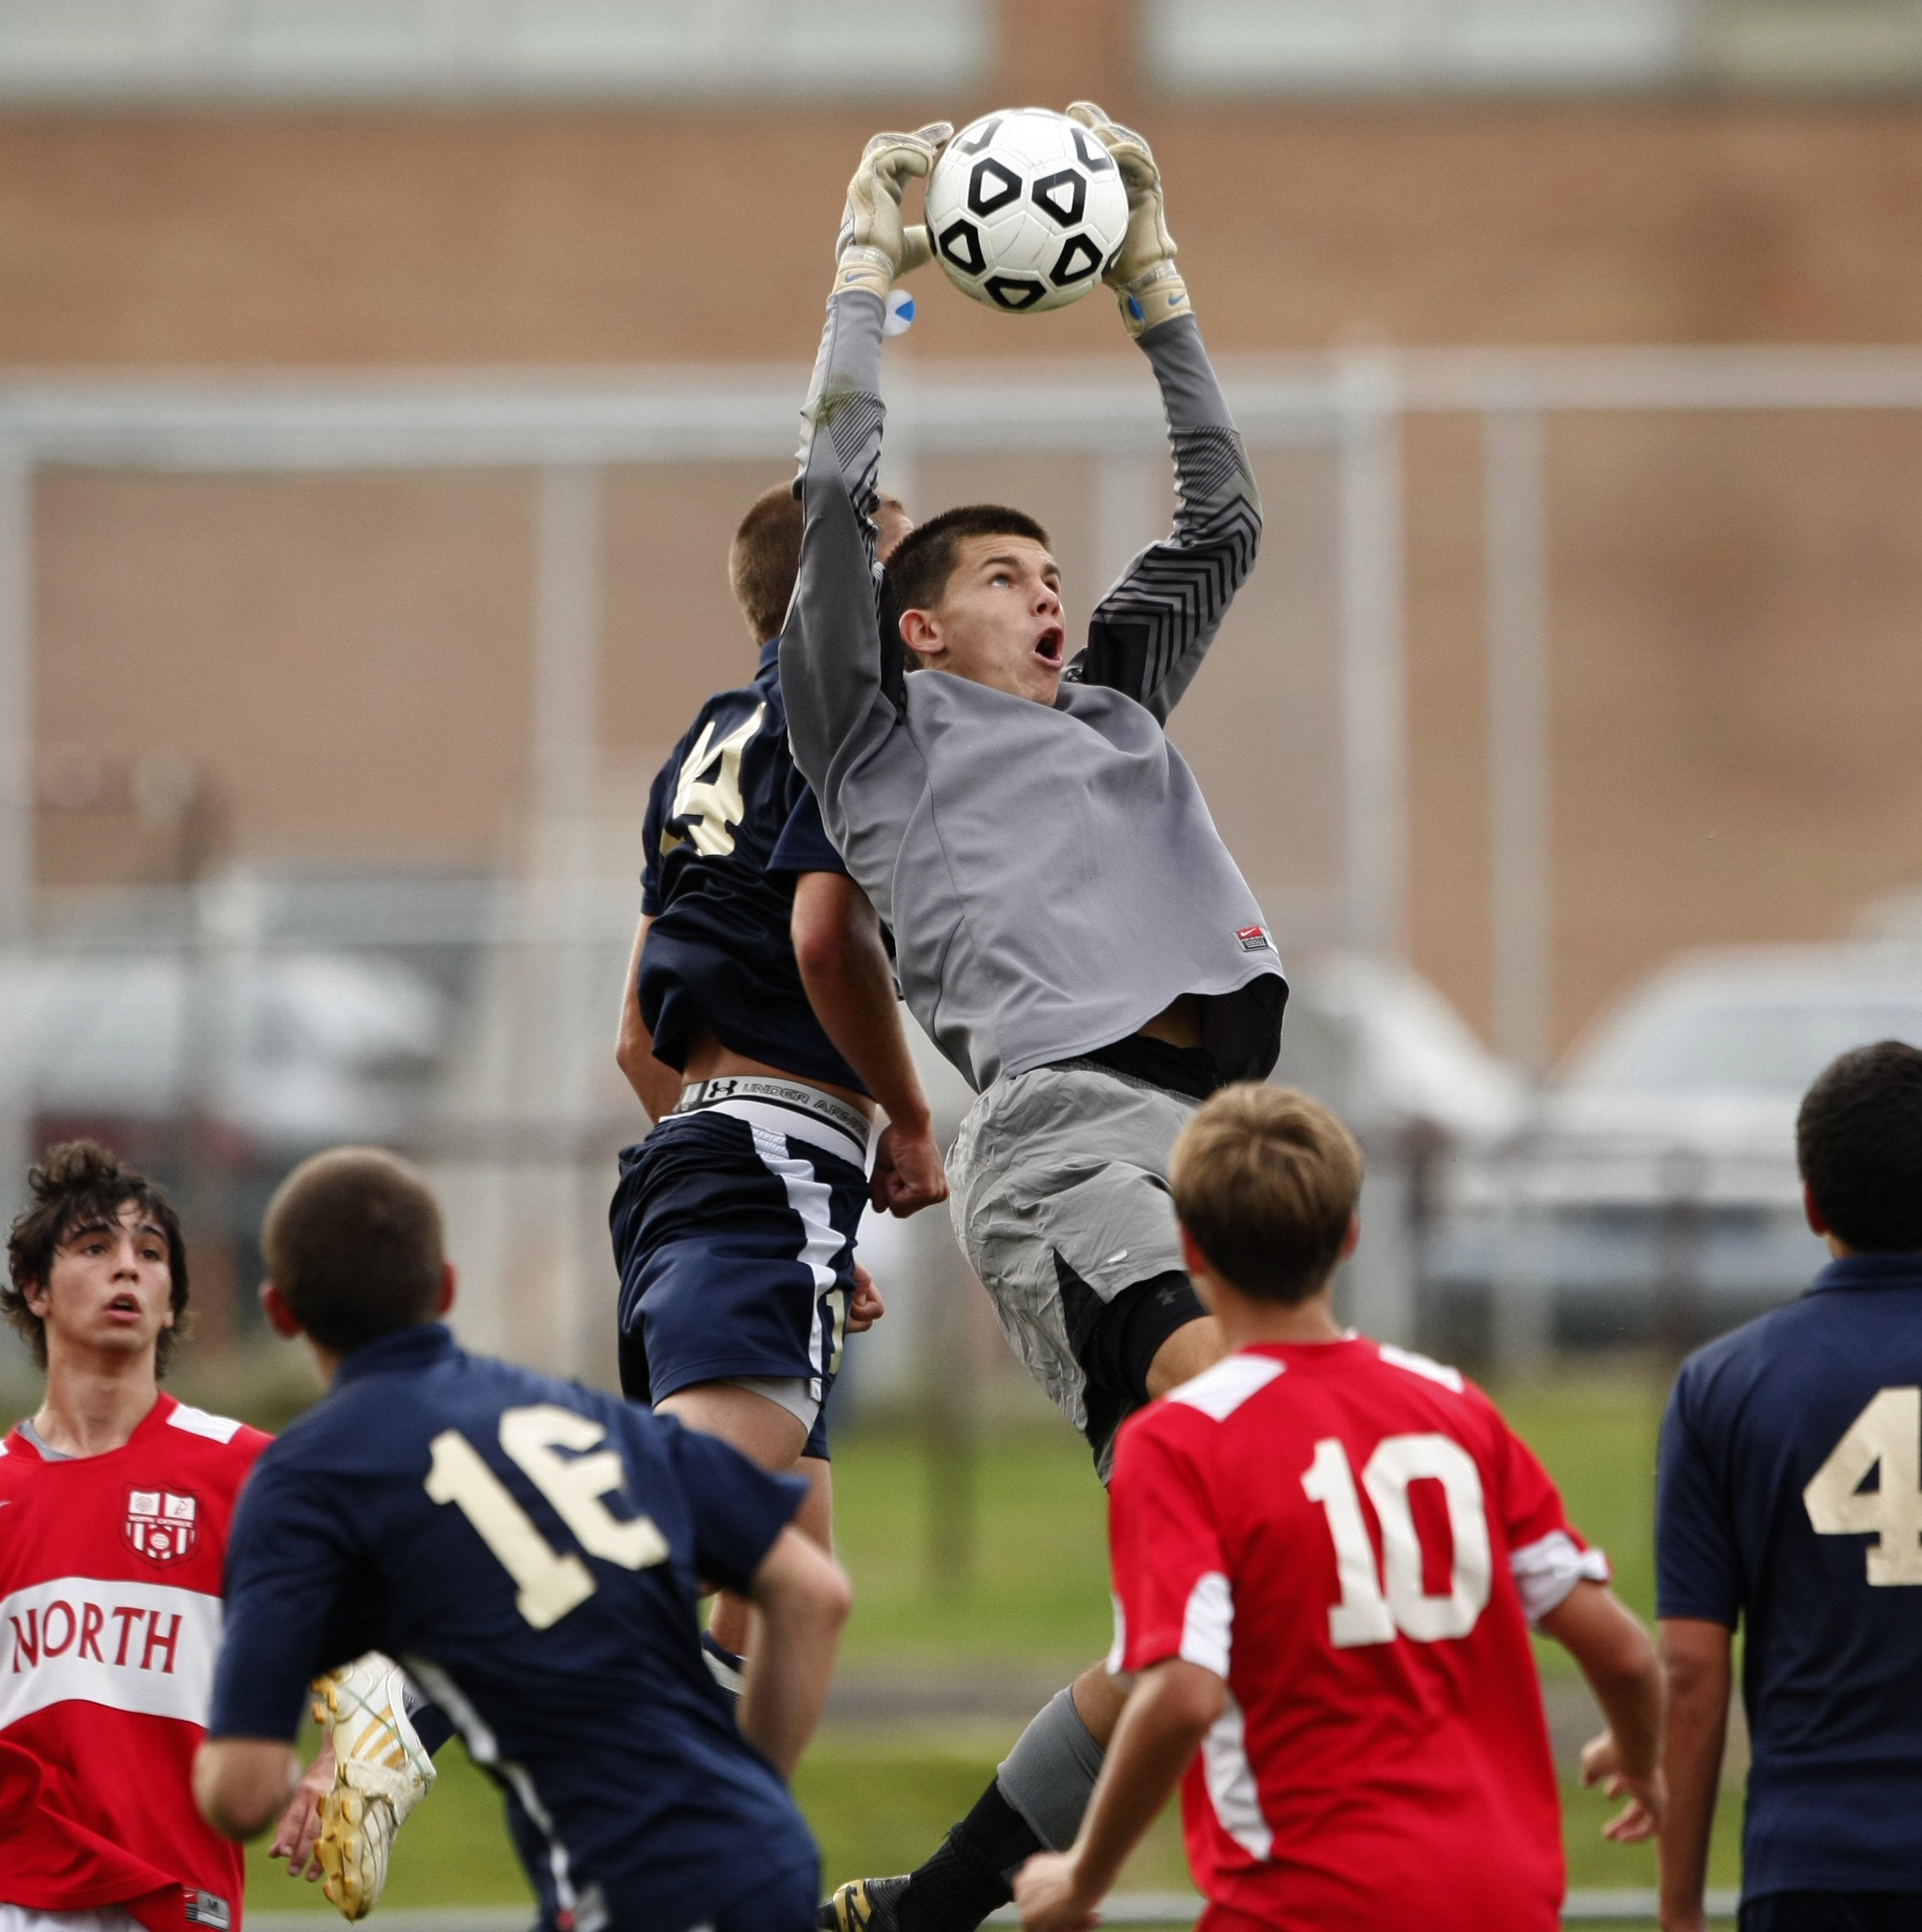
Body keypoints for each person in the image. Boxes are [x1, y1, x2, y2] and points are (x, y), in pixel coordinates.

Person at [786, 109, 1276, 1929]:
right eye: (1004, 577)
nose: (1051, 594)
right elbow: (839, 497)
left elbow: (1220, 514)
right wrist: (867, 273)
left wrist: (1154, 282)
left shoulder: (1115, 699)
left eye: (1054, 573)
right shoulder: (877, 736)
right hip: (1072, 1133)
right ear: (913, 633)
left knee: (1214, 1599)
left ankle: (937, 1908)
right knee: (1253, 1462)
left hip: (1240, 1148)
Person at [1011, 1084, 1665, 1932]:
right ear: (1349, 1237)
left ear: (1190, 1250)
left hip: (1304, 1899)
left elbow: (1180, 1694)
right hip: (1499, 1897)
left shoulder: (1179, 1442)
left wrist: (1083, 1877)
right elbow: (1623, 1653)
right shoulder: (1456, 1408)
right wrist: (1638, 1754)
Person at [195, 1145, 851, 1932]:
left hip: (631, 1884)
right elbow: (815, 1590)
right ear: (444, 1289)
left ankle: (392, 1698)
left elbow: (243, 1793)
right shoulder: (582, 1415)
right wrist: (753, 1790)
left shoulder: (302, 1475)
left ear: (279, 1311)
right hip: (766, 1855)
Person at [611, 481, 945, 1691]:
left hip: (701, 1165)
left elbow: (635, 1042)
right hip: (761, 1170)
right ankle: (415, 1680)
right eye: (906, 566)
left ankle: (705, 1881)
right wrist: (905, 1120)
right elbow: (824, 938)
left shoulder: (705, 737)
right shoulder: (840, 718)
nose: (925, 593)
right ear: (842, 591)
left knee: (786, 1600)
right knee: (693, 1535)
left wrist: (795, 1195)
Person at [0, 1140, 327, 1932]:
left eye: (149, 1253)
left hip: (183, 1898)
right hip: (21, 1889)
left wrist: (339, 1765)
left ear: (172, 1296)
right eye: (93, 1247)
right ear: (36, 1289)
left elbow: (377, 1641)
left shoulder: (249, 1470)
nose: (127, 1268)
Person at [1653, 1039, 1922, 1932]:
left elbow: (1692, 1668)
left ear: (1810, 1204)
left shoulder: (1721, 1384)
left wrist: (1681, 1906)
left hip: (1812, 1855)